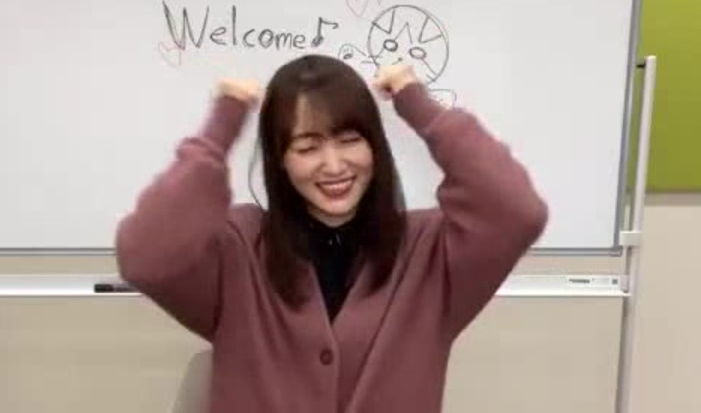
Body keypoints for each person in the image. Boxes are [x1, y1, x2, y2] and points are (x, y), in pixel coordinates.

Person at [115, 54, 548, 413]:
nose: (335, 165)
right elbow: (145, 256)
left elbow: (516, 210)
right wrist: (222, 125)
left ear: (375, 145)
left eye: (350, 139)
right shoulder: (237, 247)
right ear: (280, 160)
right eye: (307, 147)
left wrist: (417, 103)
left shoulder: (431, 253)